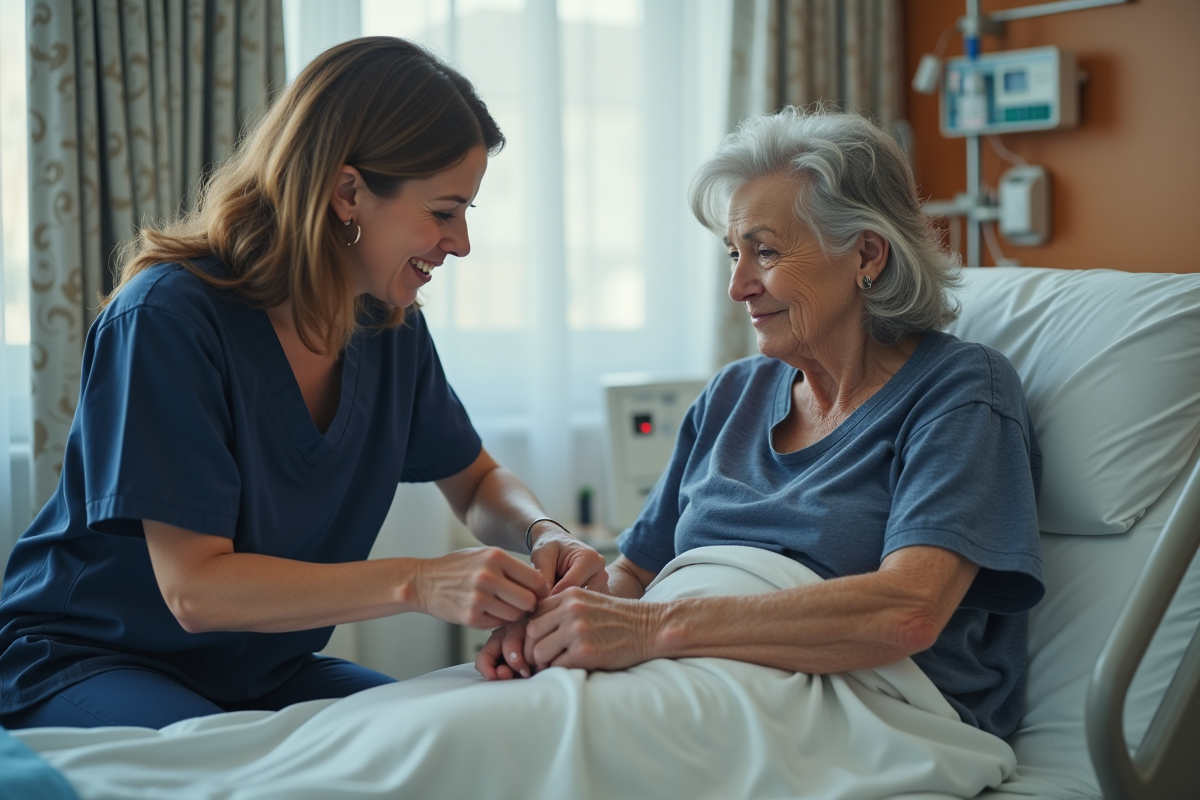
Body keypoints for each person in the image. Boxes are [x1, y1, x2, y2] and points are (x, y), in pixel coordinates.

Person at [0, 37, 606, 730]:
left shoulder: (389, 326)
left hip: (262, 671)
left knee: (445, 740)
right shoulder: (168, 319)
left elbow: (474, 482)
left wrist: (541, 531)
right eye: (443, 212)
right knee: (229, 771)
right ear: (348, 191)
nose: (461, 242)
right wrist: (420, 581)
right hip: (93, 658)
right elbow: (195, 590)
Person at [477, 107, 1044, 739]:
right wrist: (559, 617)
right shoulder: (733, 395)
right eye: (733, 254)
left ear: (867, 254)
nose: (738, 286)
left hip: (875, 708)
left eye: (765, 252)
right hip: (697, 674)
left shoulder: (959, 391)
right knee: (467, 724)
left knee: (515, 743)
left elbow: (906, 612)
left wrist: (650, 630)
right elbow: (636, 575)